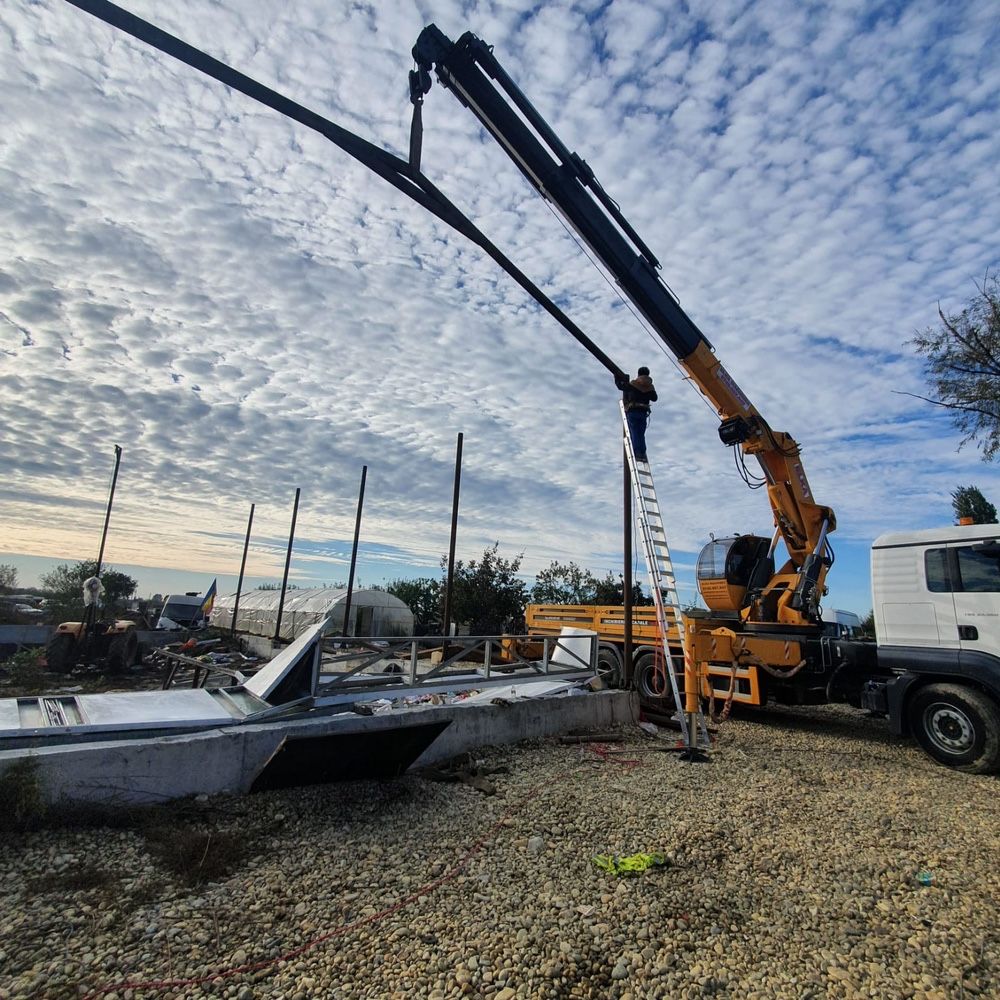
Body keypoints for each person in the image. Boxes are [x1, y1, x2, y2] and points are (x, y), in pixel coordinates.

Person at [615, 366, 657, 462]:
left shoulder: (634, 384)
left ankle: (637, 452)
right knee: (641, 433)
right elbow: (655, 398)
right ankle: (642, 452)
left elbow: (621, 387)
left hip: (633, 411)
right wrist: (649, 390)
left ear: (638, 374)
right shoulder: (650, 386)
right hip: (643, 413)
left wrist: (616, 377)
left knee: (634, 432)